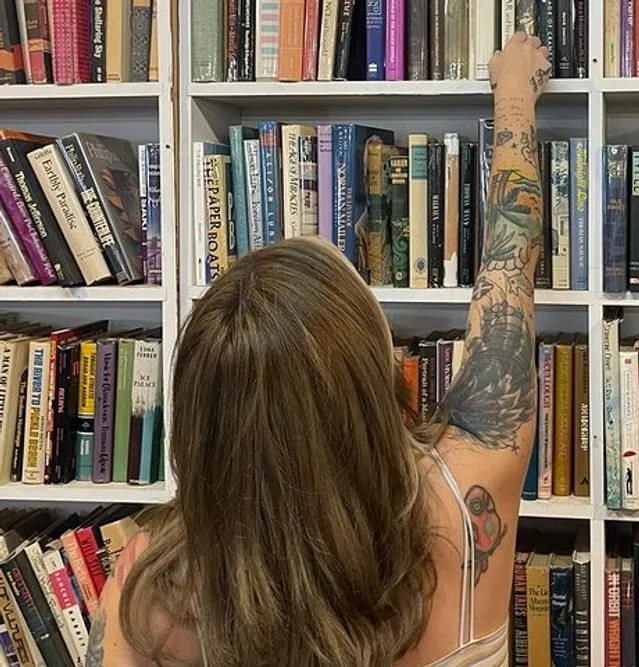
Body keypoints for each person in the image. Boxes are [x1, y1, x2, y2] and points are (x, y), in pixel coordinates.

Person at [85, 32, 552, 667]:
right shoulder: (469, 500)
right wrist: (516, 95)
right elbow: (510, 260)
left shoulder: (146, 600)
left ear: (199, 427)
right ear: (375, 380)